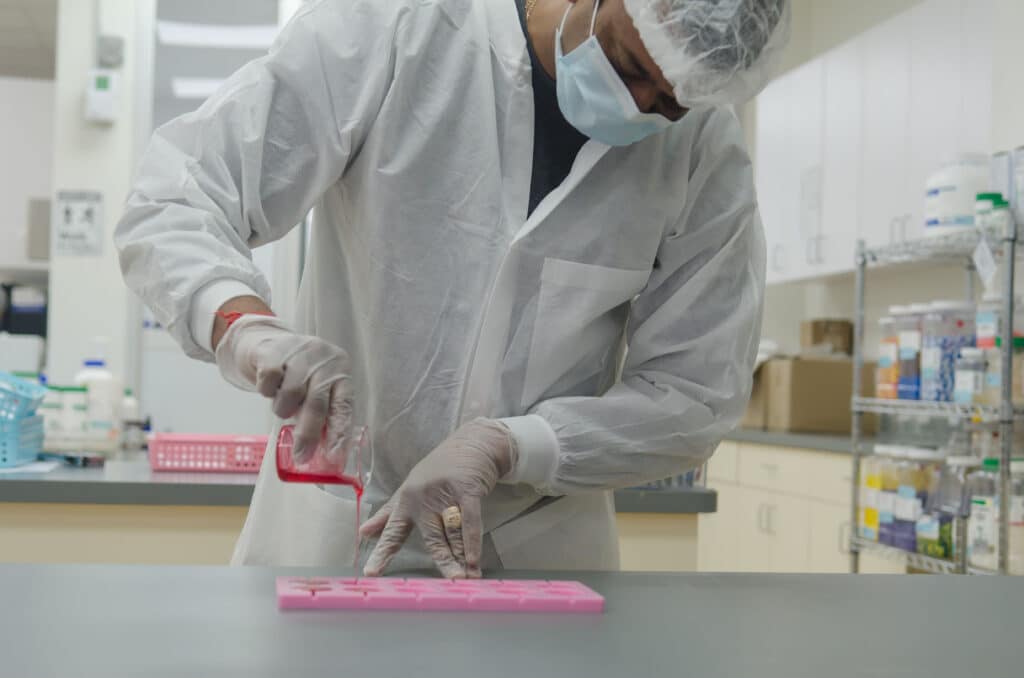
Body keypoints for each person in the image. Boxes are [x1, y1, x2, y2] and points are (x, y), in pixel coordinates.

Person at [116, 0, 790, 577]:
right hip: (335, 534)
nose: (641, 106)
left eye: (672, 101)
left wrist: (512, 444)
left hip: (537, 553)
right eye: (630, 64)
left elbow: (694, 396)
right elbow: (178, 195)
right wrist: (242, 325)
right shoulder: (397, 27)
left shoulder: (702, 150)